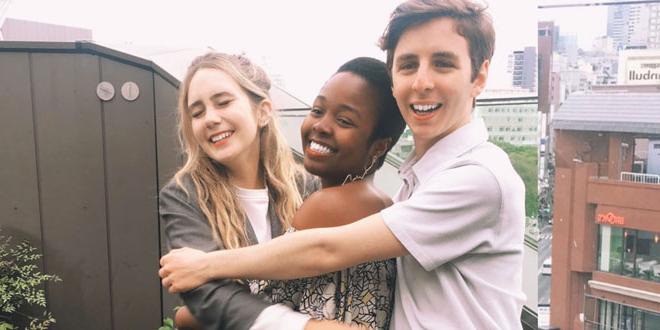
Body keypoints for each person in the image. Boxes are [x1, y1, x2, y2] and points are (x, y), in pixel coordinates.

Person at [160, 0, 527, 329]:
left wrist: (203, 275)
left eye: (443, 64)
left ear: (478, 76)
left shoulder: (478, 177)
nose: (422, 82)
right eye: (407, 65)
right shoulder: (411, 184)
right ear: (394, 78)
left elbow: (322, 251)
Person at [159, 52, 319, 330]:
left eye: (223, 102)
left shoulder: (307, 186)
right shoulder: (184, 195)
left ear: (263, 111)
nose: (210, 118)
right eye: (197, 112)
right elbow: (210, 295)